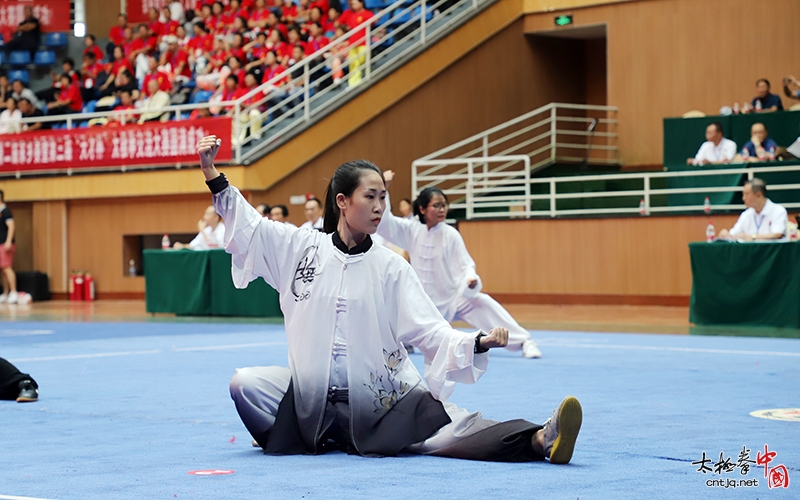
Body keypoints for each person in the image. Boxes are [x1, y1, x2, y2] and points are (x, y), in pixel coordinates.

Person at [196, 135, 582, 463]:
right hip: (312, 396)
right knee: (244, 384)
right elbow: (251, 226)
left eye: (384, 197)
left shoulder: (391, 267)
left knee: (444, 433)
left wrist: (475, 341)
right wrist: (213, 174)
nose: (380, 206)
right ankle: (299, 431)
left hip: (380, 400)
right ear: (343, 201)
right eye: (371, 196)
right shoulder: (301, 247)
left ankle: (539, 438)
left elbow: (430, 329)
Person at [377, 172, 542, 359]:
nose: (442, 209)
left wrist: (470, 279)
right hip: (422, 305)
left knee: (482, 302)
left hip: (452, 300)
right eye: (436, 205)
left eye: (444, 205)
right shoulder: (411, 230)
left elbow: (465, 265)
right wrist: (384, 189)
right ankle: (407, 342)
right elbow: (385, 224)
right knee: (391, 311)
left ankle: (524, 341)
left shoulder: (450, 234)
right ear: (422, 209)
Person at [717, 178, 787, 241]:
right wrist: (726, 234)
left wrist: (752, 237)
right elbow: (734, 234)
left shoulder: (778, 211)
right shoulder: (746, 214)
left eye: (747, 194)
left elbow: (777, 234)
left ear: (758, 195)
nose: (743, 198)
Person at [0, 190, 18, 304]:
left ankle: (14, 292)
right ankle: (5, 293)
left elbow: (11, 227)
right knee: (2, 269)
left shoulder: (6, 211)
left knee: (7, 267)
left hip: (5, 244)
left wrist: (8, 241)